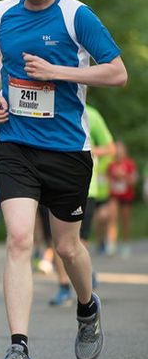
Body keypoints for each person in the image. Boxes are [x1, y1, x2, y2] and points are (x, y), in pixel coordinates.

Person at [0, 0, 127, 359]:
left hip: (67, 149)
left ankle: (87, 306)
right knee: (21, 238)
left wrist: (57, 72)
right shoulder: (1, 12)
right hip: (14, 143)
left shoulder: (75, 15)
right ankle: (19, 349)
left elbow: (117, 72)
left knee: (67, 247)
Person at [49, 104, 115, 306]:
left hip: (86, 186)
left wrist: (90, 149)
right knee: (57, 241)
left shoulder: (91, 114)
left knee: (78, 240)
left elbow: (110, 148)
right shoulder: (48, 104)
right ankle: (63, 286)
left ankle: (84, 275)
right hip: (49, 182)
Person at [106, 140, 138, 257]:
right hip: (114, 196)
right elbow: (107, 180)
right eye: (117, 150)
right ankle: (111, 245)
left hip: (126, 196)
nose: (119, 152)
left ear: (124, 151)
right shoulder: (111, 164)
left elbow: (133, 181)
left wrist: (123, 178)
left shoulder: (129, 164)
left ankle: (125, 244)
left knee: (125, 221)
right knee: (112, 219)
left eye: (121, 149)